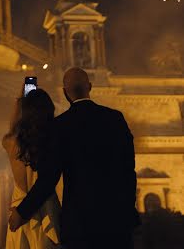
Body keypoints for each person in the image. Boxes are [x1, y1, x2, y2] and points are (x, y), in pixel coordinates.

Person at [9, 67, 138, 249]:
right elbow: (129, 169)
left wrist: (22, 212)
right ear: (90, 87)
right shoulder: (115, 119)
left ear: (64, 92)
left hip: (80, 224)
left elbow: (48, 178)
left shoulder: (60, 126)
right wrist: (127, 209)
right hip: (117, 221)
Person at [3, 87, 61, 249]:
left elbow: (12, 127)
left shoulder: (11, 142)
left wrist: (20, 100)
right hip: (46, 211)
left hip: (18, 212)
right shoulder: (51, 143)